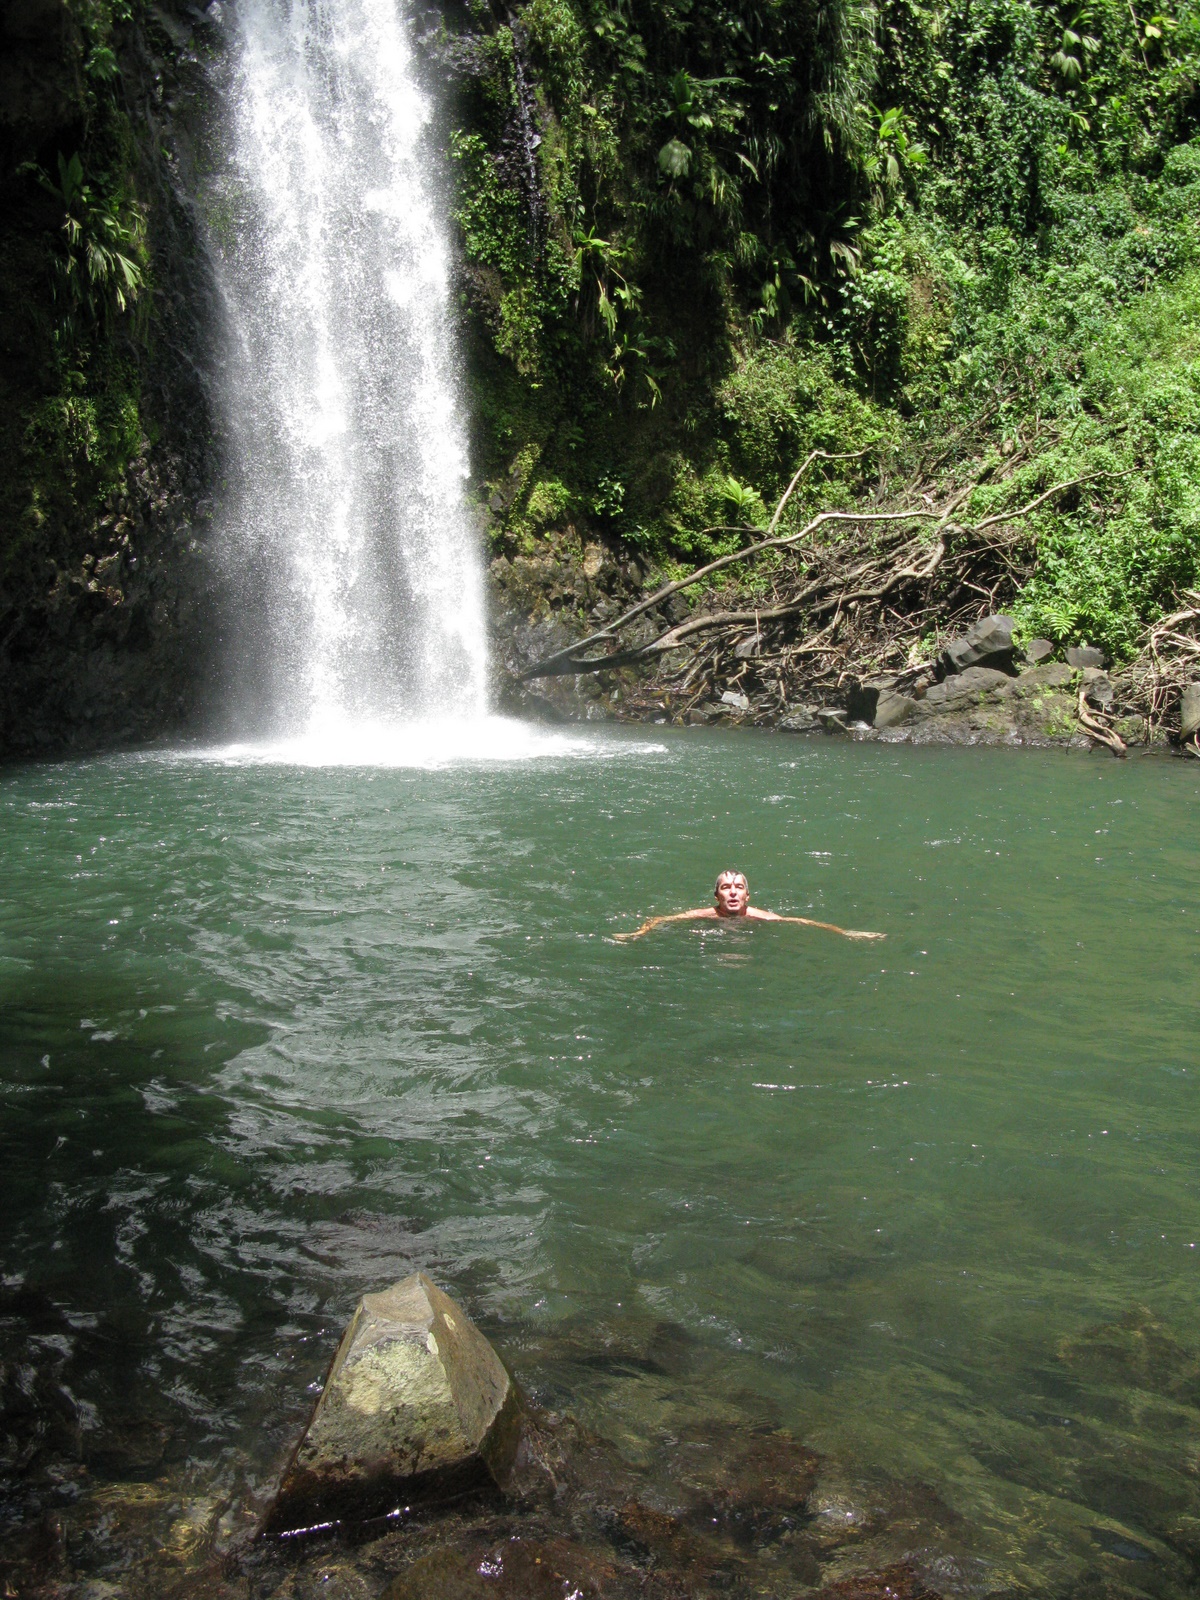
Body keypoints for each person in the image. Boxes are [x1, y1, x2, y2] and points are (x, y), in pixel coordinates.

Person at [612, 869, 885, 943]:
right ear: (716, 896)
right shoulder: (705, 915)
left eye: (738, 888)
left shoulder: (761, 917)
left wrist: (845, 933)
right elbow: (662, 919)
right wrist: (639, 933)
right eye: (726, 888)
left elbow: (803, 922)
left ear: (747, 897)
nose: (732, 893)